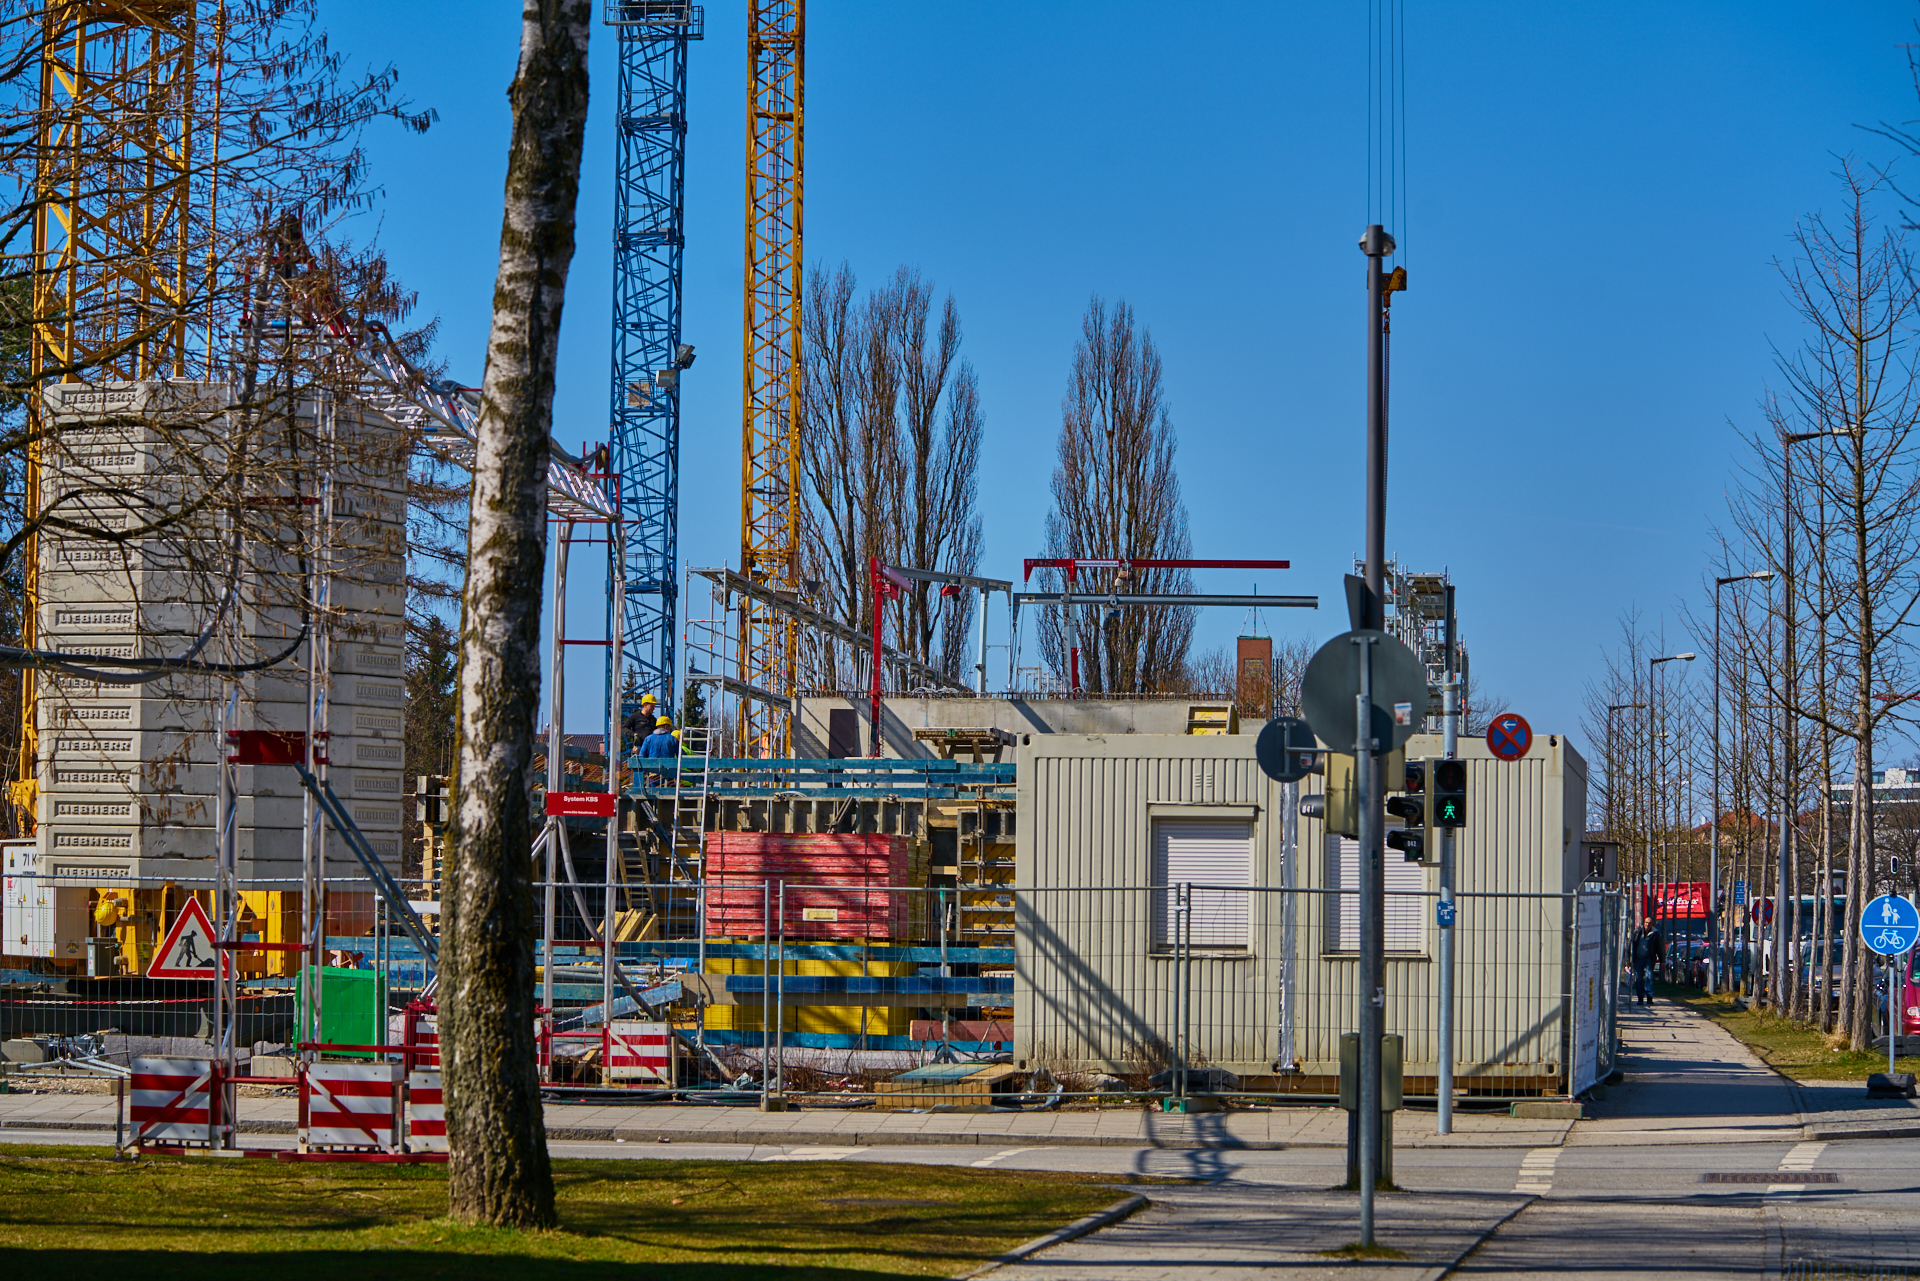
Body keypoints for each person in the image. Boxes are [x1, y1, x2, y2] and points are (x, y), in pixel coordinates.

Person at [639, 713, 678, 782]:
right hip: (669, 774)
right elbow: (682, 756)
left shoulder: (648, 739)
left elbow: (641, 756)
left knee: (652, 790)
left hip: (652, 774)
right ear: (666, 726)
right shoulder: (673, 739)